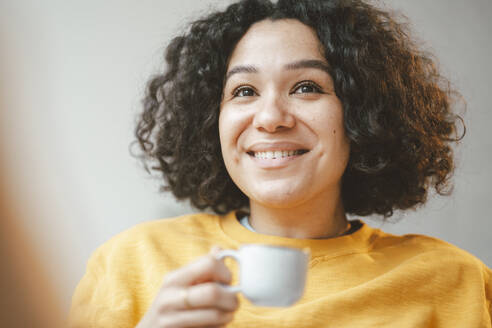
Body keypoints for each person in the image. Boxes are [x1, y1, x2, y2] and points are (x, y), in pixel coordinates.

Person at [69, 0, 491, 327]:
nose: (270, 118)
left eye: (307, 87)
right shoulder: (131, 263)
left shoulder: (455, 281)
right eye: (244, 91)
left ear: (363, 114)